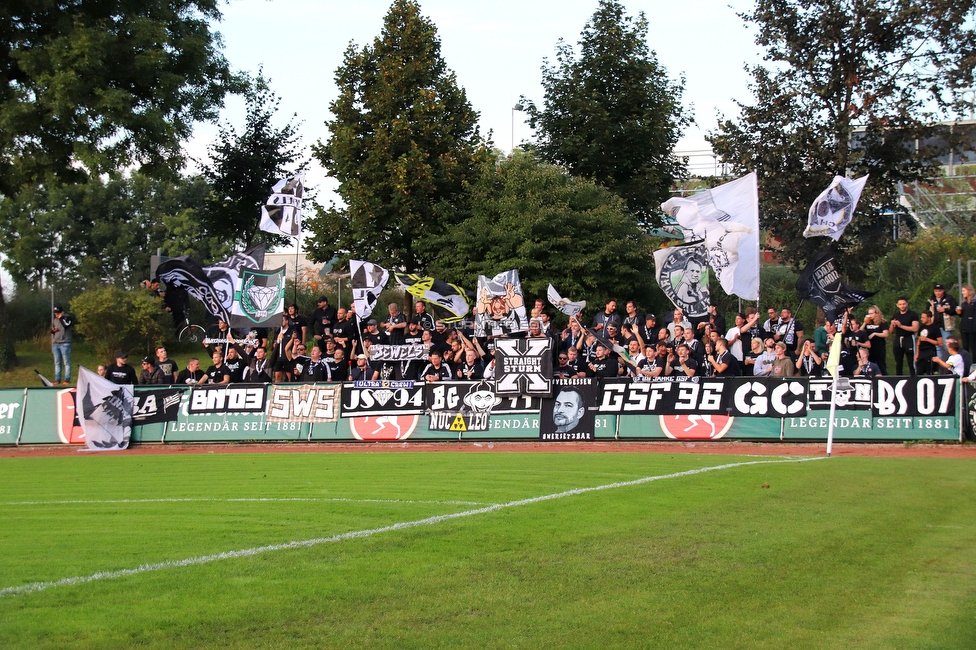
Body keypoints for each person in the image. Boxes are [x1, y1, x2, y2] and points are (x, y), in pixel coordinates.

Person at [889, 297, 920, 376]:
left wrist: (901, 325)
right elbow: (891, 331)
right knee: (898, 361)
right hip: (898, 338)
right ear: (897, 305)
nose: (902, 306)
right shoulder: (896, 315)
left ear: (907, 304)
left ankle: (913, 377)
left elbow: (915, 328)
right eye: (900, 304)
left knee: (911, 361)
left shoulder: (912, 314)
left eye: (903, 304)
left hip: (908, 338)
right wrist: (893, 325)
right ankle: (898, 377)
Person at [928, 283, 958, 359]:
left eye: (939, 291)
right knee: (938, 346)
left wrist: (945, 310)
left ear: (943, 291)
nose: (938, 293)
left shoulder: (949, 299)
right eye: (936, 291)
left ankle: (950, 363)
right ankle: (941, 366)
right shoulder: (931, 300)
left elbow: (956, 310)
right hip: (935, 326)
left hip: (946, 326)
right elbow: (927, 312)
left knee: (948, 345)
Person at [862, 305, 889, 375]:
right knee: (870, 362)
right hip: (869, 346)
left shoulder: (882, 322)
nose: (869, 315)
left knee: (881, 363)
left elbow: (886, 334)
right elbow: (860, 332)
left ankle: (884, 377)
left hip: (879, 345)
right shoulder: (868, 322)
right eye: (869, 313)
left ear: (876, 313)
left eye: (871, 313)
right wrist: (865, 322)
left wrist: (875, 334)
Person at [51, 305, 74, 385]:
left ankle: (67, 379)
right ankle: (57, 379)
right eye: (55, 313)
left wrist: (61, 317)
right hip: (56, 343)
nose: (56, 315)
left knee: (66, 362)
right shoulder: (55, 320)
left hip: (65, 343)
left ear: (62, 312)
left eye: (58, 313)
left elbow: (65, 325)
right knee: (57, 362)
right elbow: (56, 330)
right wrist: (53, 331)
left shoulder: (67, 318)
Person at [915, 311, 942, 375]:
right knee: (919, 371)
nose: (921, 319)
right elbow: (919, 340)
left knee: (929, 371)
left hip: (930, 351)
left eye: (923, 318)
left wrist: (927, 339)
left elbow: (940, 343)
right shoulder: (922, 327)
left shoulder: (935, 328)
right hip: (921, 352)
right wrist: (917, 353)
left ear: (929, 318)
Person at [956, 285, 976, 356]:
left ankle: (974, 363)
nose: (962, 292)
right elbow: (962, 315)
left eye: (964, 291)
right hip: (964, 327)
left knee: (973, 347)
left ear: (969, 291)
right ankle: (966, 363)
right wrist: (959, 313)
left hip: (972, 328)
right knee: (965, 347)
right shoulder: (964, 303)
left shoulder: (974, 302)